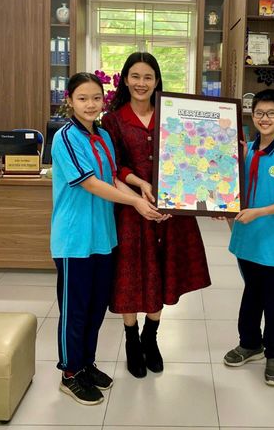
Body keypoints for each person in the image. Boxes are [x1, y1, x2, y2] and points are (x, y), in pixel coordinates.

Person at [51, 72, 162, 406]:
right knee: (75, 310)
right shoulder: (65, 137)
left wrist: (143, 196)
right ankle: (70, 373)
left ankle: (86, 363)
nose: (90, 104)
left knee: (96, 307)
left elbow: (112, 178)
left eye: (96, 98)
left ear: (104, 99)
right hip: (74, 240)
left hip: (103, 236)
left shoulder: (102, 136)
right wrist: (135, 204)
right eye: (82, 98)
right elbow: (90, 183)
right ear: (69, 100)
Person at [101, 52, 211, 378]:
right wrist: (140, 187)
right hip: (131, 209)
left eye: (148, 77)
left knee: (162, 271)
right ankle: (131, 339)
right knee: (132, 274)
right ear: (125, 79)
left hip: (172, 211)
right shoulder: (113, 120)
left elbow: (191, 157)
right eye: (135, 76)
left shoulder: (172, 114)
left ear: (157, 81)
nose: (141, 83)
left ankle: (151, 337)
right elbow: (114, 166)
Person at [224, 88, 274, 386]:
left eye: (272, 113)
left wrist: (259, 212)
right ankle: (250, 343)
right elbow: (231, 190)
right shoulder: (244, 151)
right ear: (252, 115)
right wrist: (223, 208)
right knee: (252, 293)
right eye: (259, 113)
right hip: (247, 239)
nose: (264, 118)